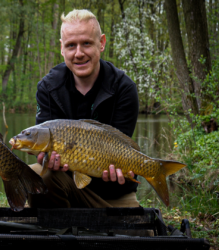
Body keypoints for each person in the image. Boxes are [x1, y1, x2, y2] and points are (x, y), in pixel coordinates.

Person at [28, 9, 140, 208]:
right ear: (62, 48)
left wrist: (123, 169)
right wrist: (46, 159)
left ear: (102, 42)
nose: (79, 53)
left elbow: (123, 147)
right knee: (37, 173)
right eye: (71, 45)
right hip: (65, 185)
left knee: (132, 237)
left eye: (86, 43)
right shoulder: (47, 87)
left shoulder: (124, 88)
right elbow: (42, 150)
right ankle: (60, 233)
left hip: (113, 194)